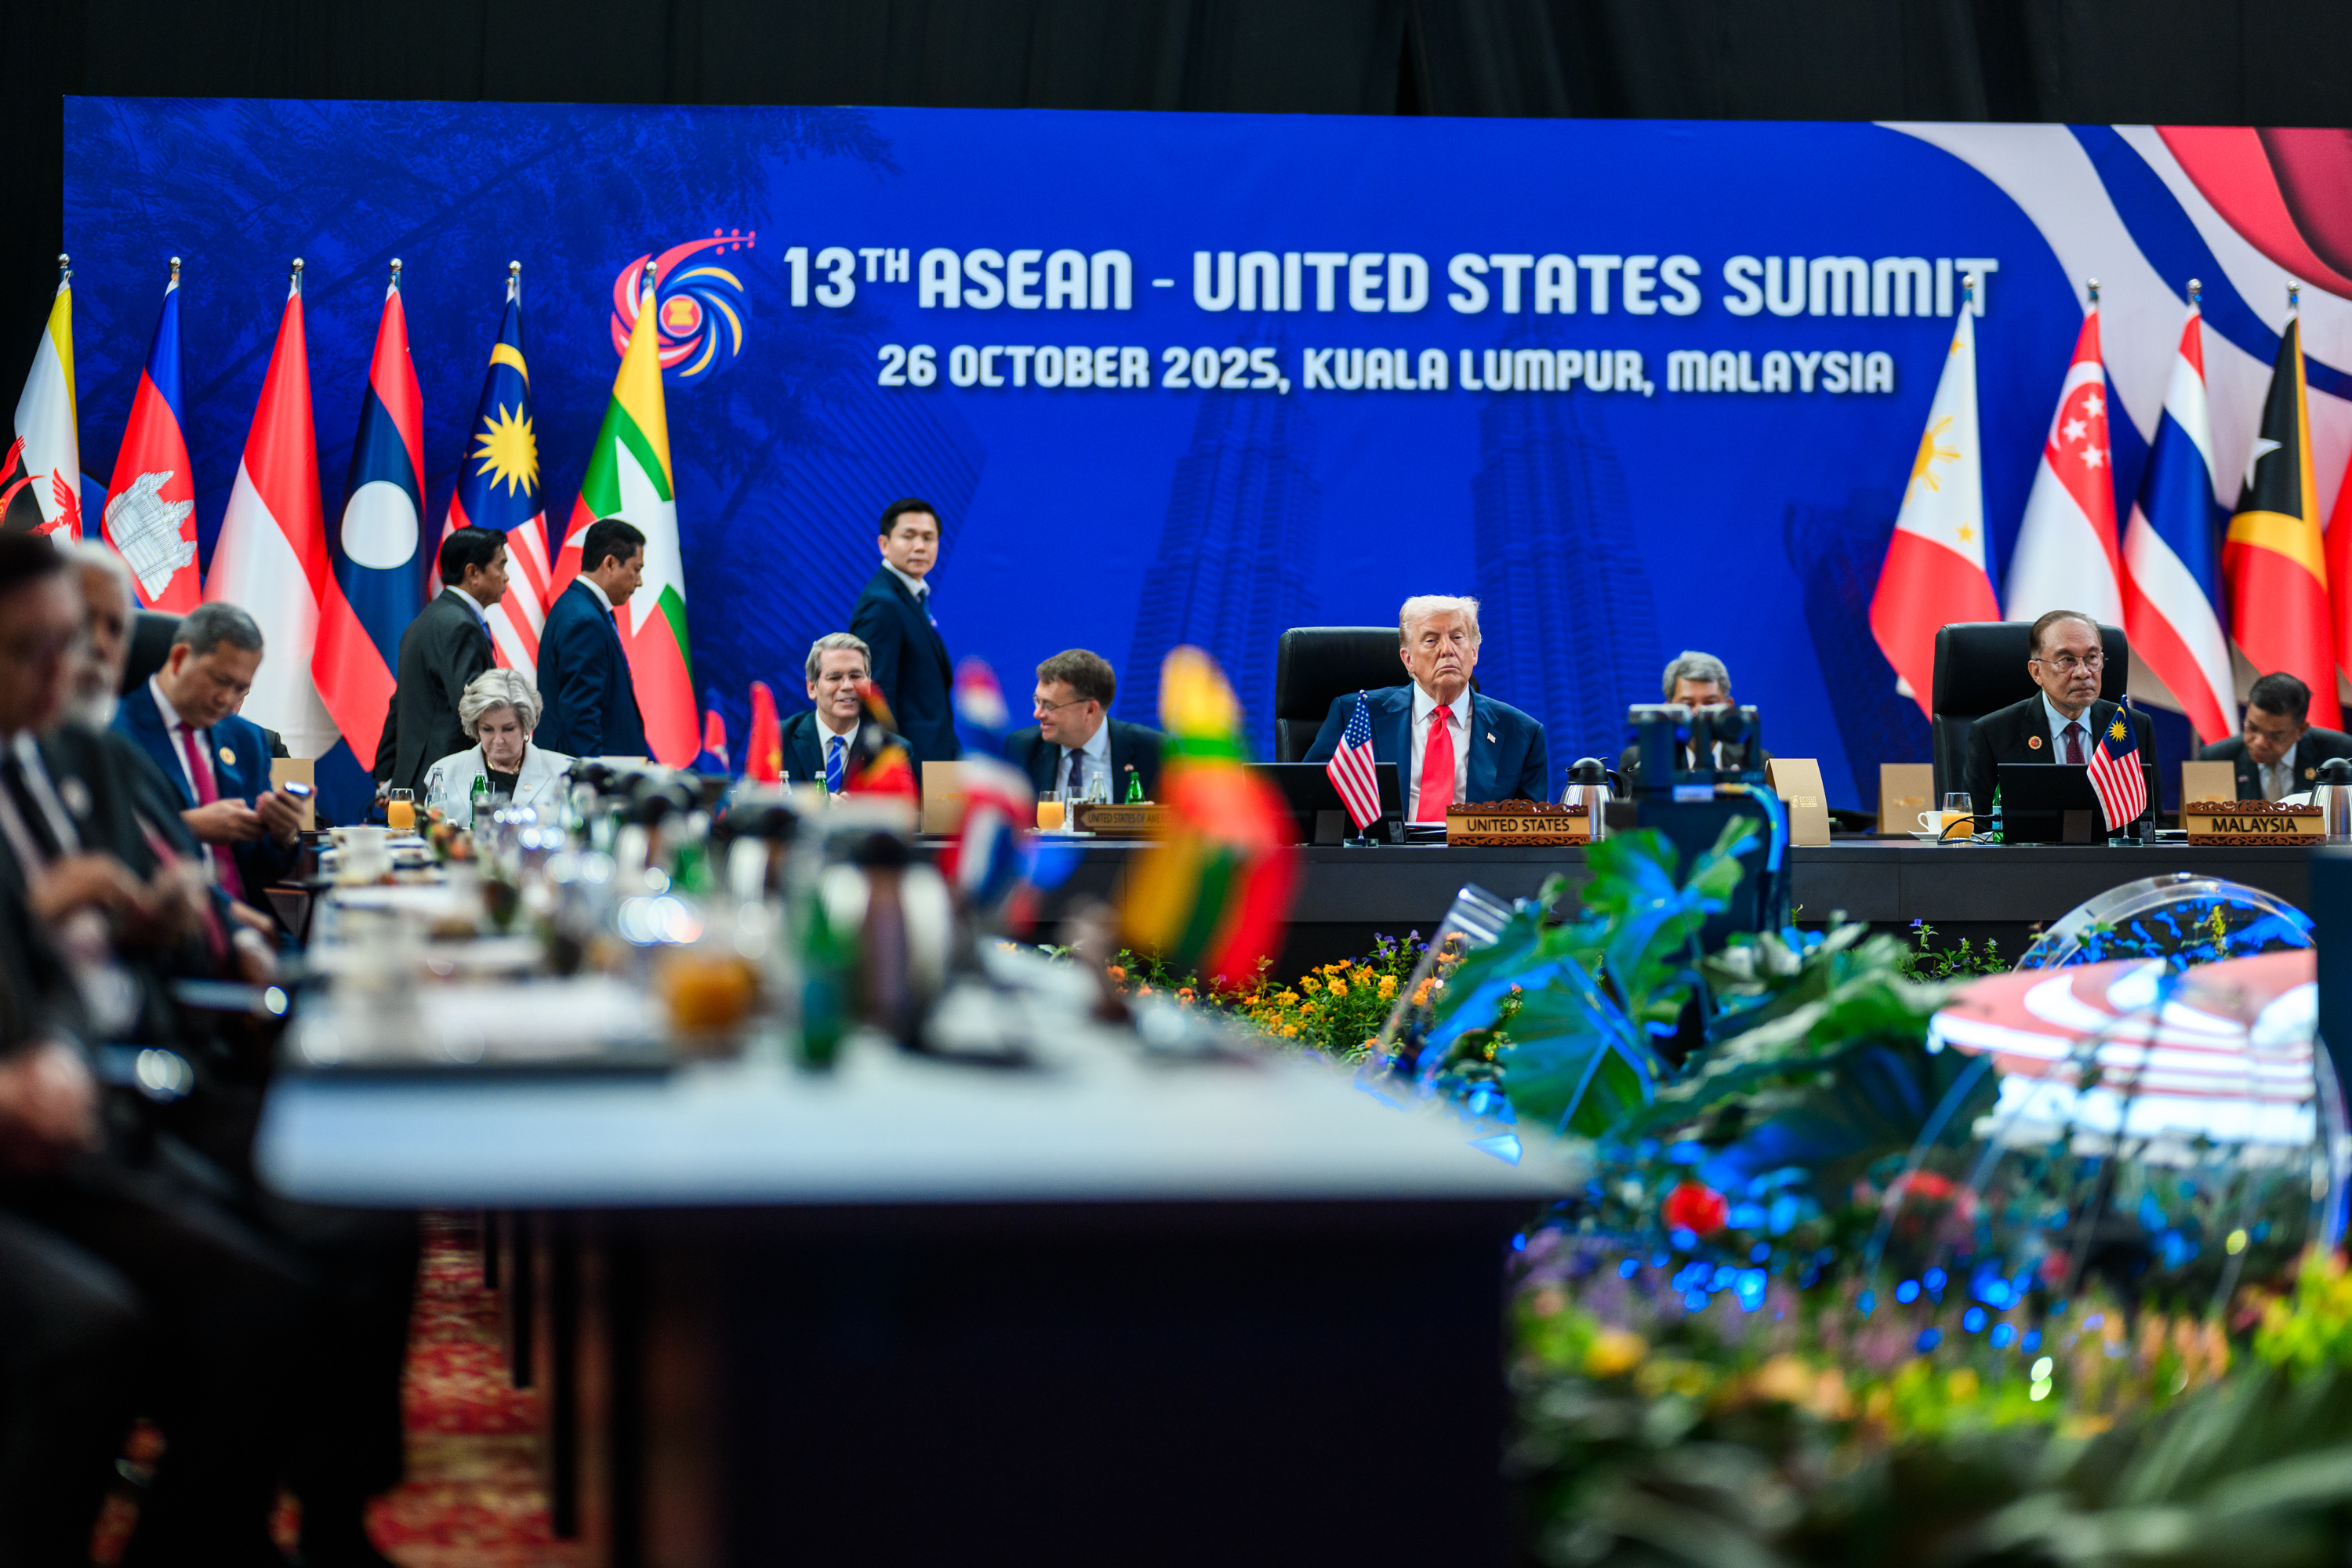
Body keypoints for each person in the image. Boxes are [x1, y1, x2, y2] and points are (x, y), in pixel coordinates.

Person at [0, 532, 309, 1565]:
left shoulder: (59, 754)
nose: (73, 668)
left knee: (268, 1287)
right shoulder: (75, 745)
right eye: (38, 647)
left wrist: (143, 921)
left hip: (100, 1091)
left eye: (92, 640)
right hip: (55, 1120)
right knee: (150, 1321)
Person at [111, 601, 305, 907]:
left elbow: (263, 870)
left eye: (241, 690)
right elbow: (101, 844)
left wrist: (283, 835)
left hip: (250, 925)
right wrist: (190, 827)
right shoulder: (113, 732)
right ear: (179, 659)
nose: (227, 700)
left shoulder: (247, 739)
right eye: (220, 681)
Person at [1304, 594, 1550, 816]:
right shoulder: (1357, 715)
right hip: (1382, 863)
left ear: (1474, 652)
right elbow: (1306, 803)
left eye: (1457, 637)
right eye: (1431, 640)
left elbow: (1530, 841)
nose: (1447, 650)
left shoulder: (1522, 734)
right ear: (1408, 659)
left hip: (1476, 864)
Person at [1965, 609, 2157, 826]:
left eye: (2092, 658)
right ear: (2036, 671)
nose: (2083, 672)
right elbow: (1978, 831)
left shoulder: (2134, 726)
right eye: (2067, 660)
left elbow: (2152, 825)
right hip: (2029, 859)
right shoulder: (1993, 734)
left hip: (2112, 858)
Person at [373, 527, 506, 796]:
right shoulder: (460, 625)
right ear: (473, 573)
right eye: (500, 566)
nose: (506, 576)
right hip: (446, 786)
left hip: (414, 781)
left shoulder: (426, 620)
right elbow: (474, 709)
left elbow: (401, 701)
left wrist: (387, 773)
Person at [849, 497, 957, 768]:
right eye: (908, 536)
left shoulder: (914, 598)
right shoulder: (882, 603)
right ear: (883, 545)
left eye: (928, 538)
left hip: (936, 765)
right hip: (907, 769)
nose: (920, 546)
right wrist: (891, 773)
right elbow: (876, 698)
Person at [537, 517, 648, 760]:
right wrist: (594, 781)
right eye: (636, 569)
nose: (639, 582)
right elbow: (580, 715)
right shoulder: (585, 619)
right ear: (609, 563)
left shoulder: (580, 607)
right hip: (591, 776)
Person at [1005, 648, 1167, 802]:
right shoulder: (1021, 749)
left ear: (1090, 710)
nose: (1037, 714)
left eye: (1050, 705)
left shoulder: (1153, 751)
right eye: (1037, 701)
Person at [422, 669, 572, 826]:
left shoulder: (565, 772)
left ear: (525, 726)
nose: (498, 740)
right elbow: (431, 839)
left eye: (508, 729)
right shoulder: (444, 773)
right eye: (487, 729)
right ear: (476, 729)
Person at [1617, 650, 1771, 783]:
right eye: (1688, 704)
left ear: (1729, 707)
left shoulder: (1759, 763)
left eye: (1710, 703)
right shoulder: (1640, 761)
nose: (1698, 713)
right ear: (1668, 709)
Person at [2195, 672, 2352, 800]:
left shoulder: (2340, 753)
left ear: (2301, 730)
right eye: (2252, 728)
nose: (2260, 742)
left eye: (2276, 736)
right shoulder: (2217, 758)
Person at [779, 633, 904, 789]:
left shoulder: (892, 750)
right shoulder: (778, 738)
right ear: (812, 688)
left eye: (856, 676)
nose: (847, 686)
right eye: (835, 677)